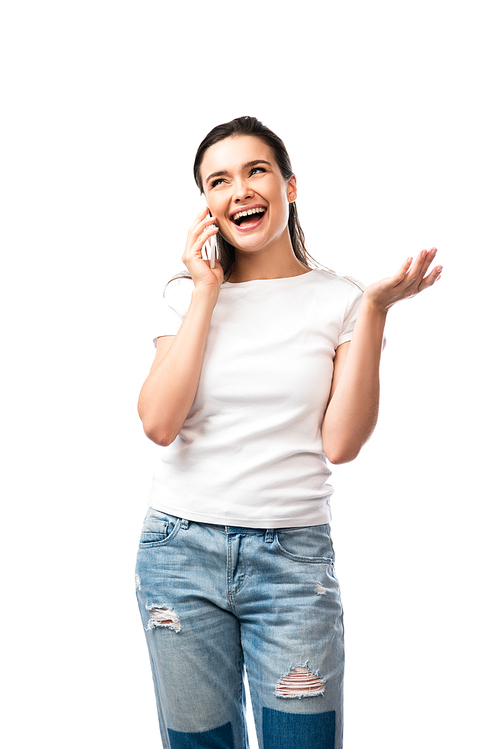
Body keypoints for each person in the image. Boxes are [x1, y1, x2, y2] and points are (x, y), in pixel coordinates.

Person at [135, 116, 442, 749]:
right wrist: (206, 291)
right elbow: (159, 422)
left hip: (292, 563)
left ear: (289, 186)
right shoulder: (183, 296)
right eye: (218, 181)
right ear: (208, 207)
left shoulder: (343, 301)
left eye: (256, 171)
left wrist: (378, 310)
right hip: (179, 553)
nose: (239, 190)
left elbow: (342, 444)